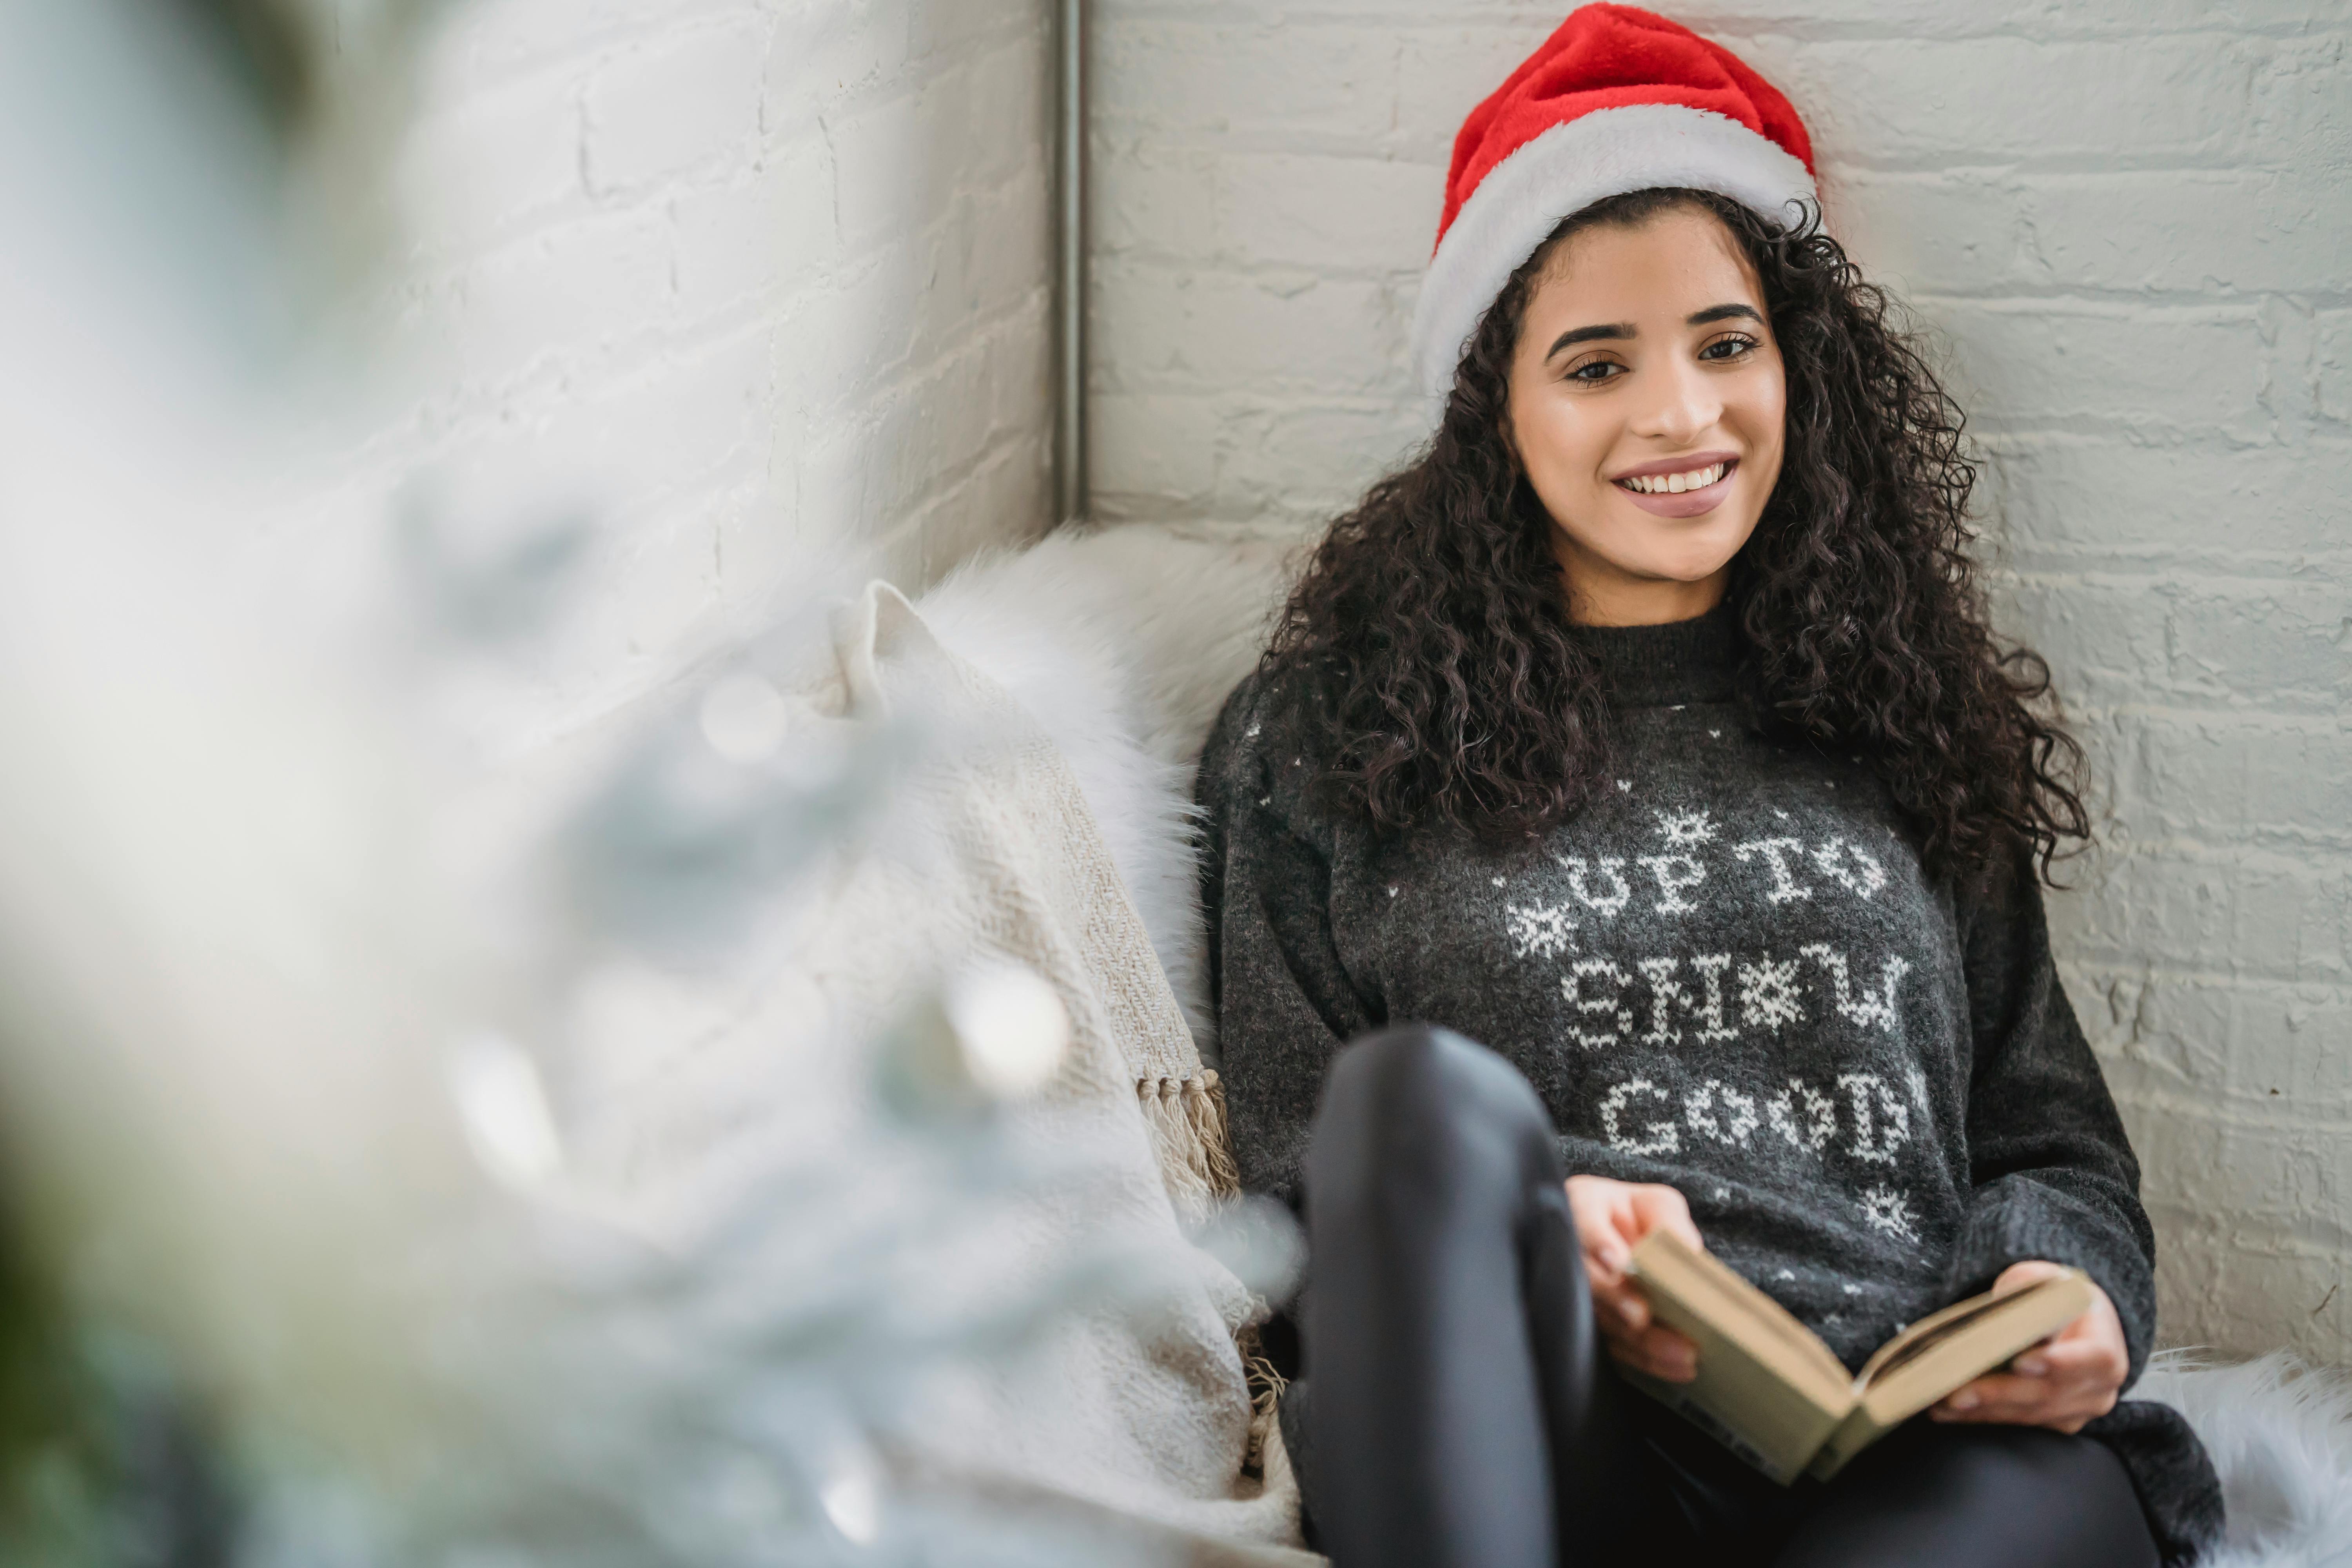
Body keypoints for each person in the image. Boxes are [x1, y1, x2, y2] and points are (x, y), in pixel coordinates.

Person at [1193, 7, 2226, 1567]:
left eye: (1726, 343)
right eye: (1597, 362)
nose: (1682, 415)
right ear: (1497, 411)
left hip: (1915, 1444)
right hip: (1547, 1431)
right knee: (1410, 1100)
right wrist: (1552, 1226)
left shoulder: (1899, 705)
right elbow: (1306, 1192)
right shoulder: (1325, 738)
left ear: (1795, 364)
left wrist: (2067, 1293)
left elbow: (2049, 1138)